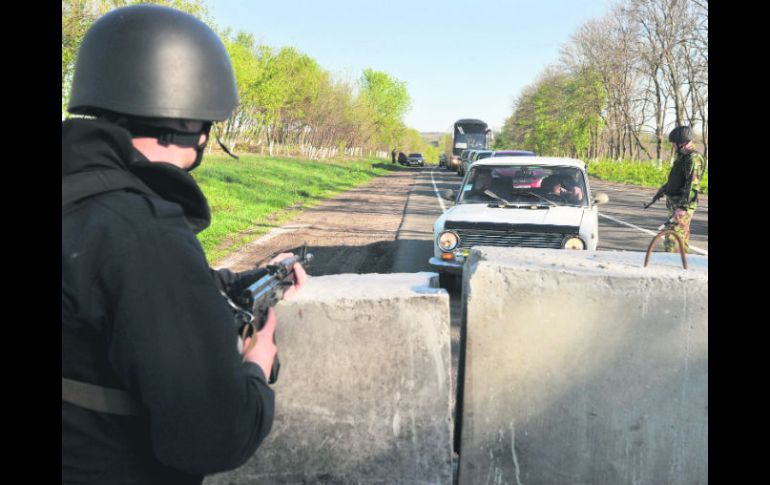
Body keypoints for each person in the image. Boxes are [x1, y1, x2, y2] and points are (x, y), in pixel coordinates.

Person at [62, 5, 307, 484]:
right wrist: (257, 366)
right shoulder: (144, 232)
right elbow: (213, 437)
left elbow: (101, 297)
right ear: (189, 120)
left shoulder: (81, 198)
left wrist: (244, 281)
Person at [653, 126, 706, 253]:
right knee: (678, 237)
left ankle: (674, 266)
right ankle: (682, 264)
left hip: (682, 204)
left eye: (674, 144)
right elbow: (678, 179)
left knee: (673, 238)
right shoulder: (683, 157)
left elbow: (693, 185)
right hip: (676, 203)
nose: (673, 147)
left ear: (682, 143)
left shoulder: (694, 159)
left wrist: (683, 207)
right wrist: (664, 188)